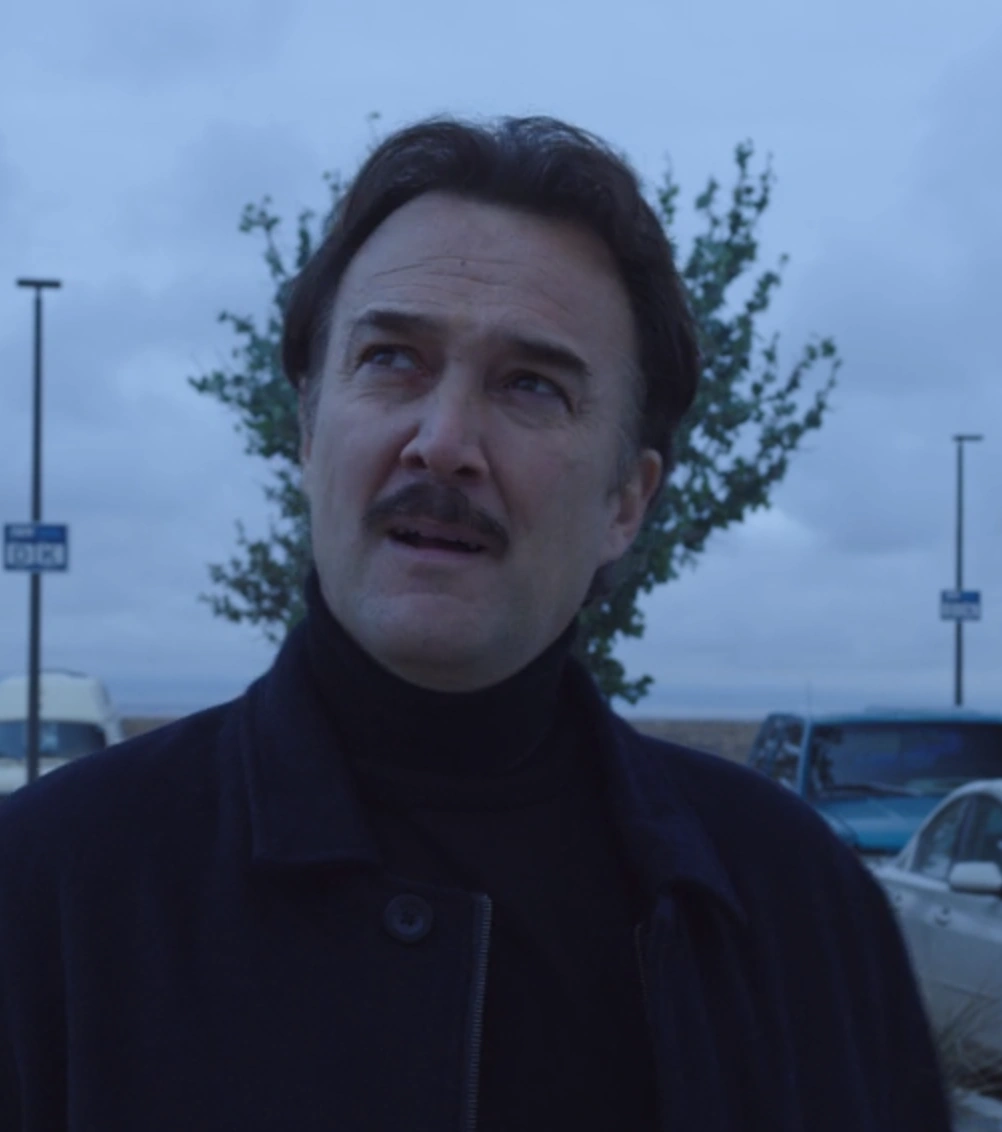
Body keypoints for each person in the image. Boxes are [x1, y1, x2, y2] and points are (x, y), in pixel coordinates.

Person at [0, 117, 951, 1132]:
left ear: (626, 502)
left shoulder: (799, 905)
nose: (444, 441)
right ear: (309, 432)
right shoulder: (49, 895)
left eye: (531, 384)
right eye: (392, 359)